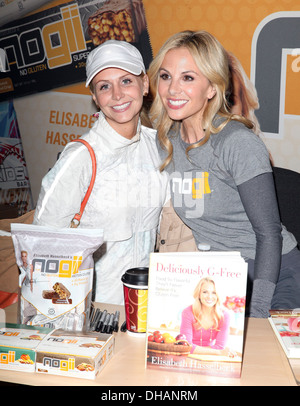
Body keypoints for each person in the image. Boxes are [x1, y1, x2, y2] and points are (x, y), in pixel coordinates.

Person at [148, 30, 300, 318]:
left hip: (272, 274)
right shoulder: (167, 140)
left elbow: (268, 234)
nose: (171, 89)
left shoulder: (235, 142)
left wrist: (257, 309)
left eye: (188, 78)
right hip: (221, 278)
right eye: (166, 76)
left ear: (212, 88)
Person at [33, 40, 168, 305]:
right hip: (92, 313)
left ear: (144, 84)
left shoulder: (160, 147)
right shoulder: (81, 157)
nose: (117, 95)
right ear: (95, 98)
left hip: (147, 307)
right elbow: (41, 244)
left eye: (126, 81)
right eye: (105, 86)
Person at [180, 277, 236, 357]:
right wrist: (218, 352)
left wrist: (195, 349)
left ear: (218, 295)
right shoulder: (187, 313)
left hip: (211, 359)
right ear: (199, 294)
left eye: (214, 292)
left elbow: (220, 347)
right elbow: (186, 347)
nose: (209, 296)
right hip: (189, 358)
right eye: (205, 292)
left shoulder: (224, 316)